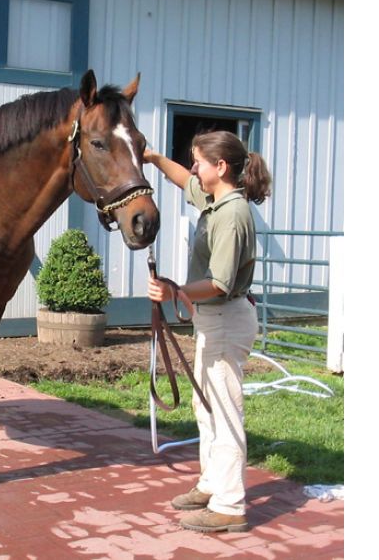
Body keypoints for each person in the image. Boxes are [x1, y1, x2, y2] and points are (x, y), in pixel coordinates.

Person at [143, 130, 272, 533]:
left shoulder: (232, 216)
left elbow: (219, 282)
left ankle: (230, 505)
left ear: (221, 167)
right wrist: (150, 157)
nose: (194, 167)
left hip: (224, 318)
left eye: (199, 161)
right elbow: (183, 179)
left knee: (225, 411)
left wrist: (173, 291)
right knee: (207, 406)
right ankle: (212, 483)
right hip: (212, 320)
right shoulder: (217, 202)